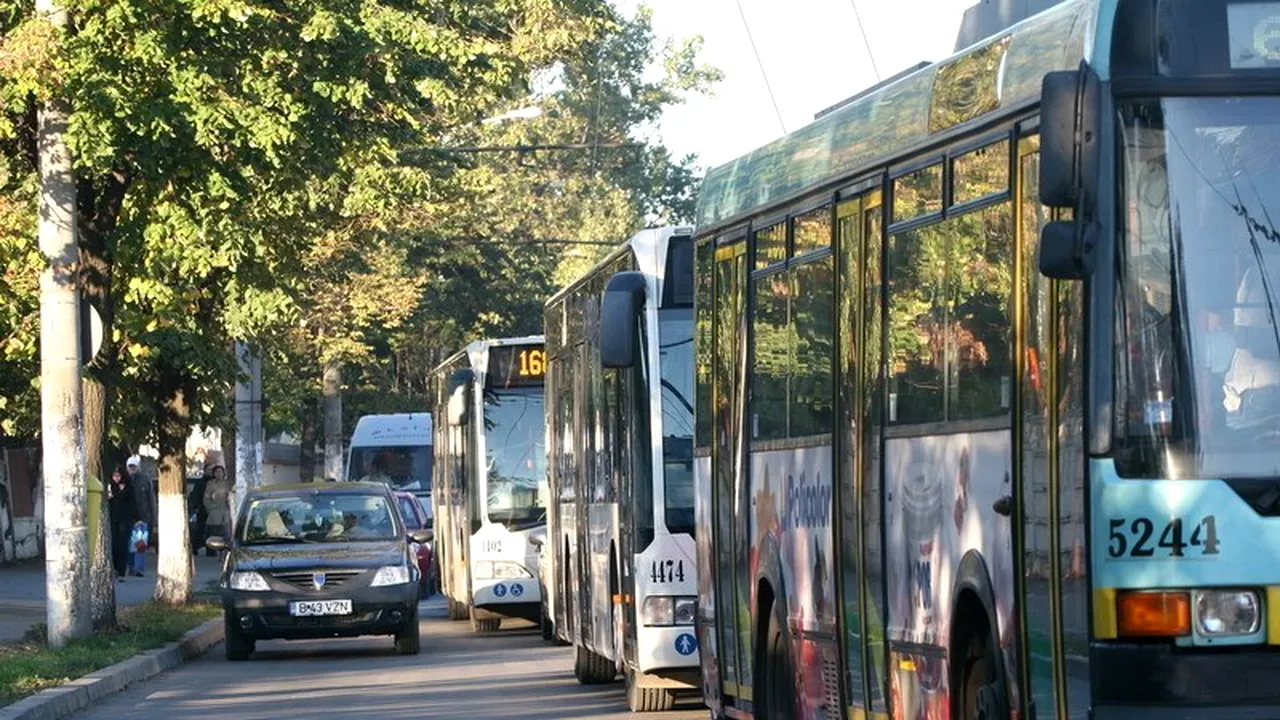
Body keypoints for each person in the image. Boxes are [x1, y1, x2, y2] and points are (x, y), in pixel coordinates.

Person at [106, 465, 138, 581]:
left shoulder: (128, 487)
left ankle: (121, 571)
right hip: (113, 519)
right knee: (114, 545)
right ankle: (114, 568)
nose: (116, 478)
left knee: (123, 545)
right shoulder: (110, 487)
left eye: (118, 476)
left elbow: (132, 503)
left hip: (125, 520)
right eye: (114, 476)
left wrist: (136, 518)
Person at [126, 456, 154, 577]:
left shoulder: (144, 480)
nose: (132, 469)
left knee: (140, 544)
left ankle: (138, 568)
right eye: (130, 466)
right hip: (128, 518)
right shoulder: (124, 480)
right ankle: (130, 567)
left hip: (142, 518)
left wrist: (152, 518)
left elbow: (151, 500)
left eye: (134, 466)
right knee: (129, 544)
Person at [202, 465, 231, 555]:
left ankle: (225, 553)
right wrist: (210, 509)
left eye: (220, 472)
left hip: (225, 512)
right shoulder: (211, 484)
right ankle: (211, 554)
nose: (219, 474)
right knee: (213, 534)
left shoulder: (227, 484)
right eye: (217, 472)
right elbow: (206, 499)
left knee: (225, 535)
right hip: (214, 512)